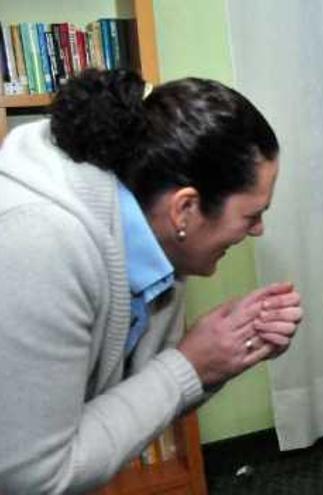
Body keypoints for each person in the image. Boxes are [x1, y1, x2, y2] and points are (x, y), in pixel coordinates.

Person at [0, 69, 303, 493]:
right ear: (185, 210)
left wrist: (224, 354)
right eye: (252, 215)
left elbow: (138, 399)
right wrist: (191, 362)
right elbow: (33, 478)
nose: (258, 231)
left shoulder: (155, 237)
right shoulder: (39, 242)